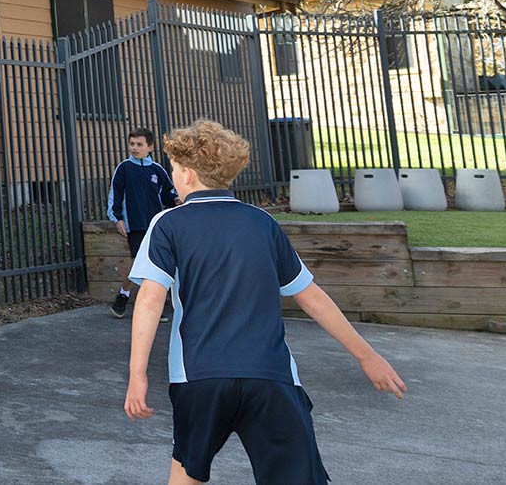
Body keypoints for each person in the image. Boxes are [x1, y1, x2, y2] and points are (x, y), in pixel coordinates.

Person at [123, 120, 407, 485]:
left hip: (200, 377)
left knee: (186, 474)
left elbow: (150, 300)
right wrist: (367, 356)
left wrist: (138, 375)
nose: (174, 177)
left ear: (188, 175)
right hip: (271, 376)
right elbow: (311, 297)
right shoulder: (262, 222)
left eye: (175, 170)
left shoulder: (167, 223)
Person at [109, 128, 179, 318]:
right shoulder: (124, 168)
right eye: (132, 144)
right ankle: (123, 295)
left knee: (155, 264)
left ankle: (152, 305)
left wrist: (176, 200)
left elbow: (168, 194)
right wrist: (117, 218)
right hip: (135, 224)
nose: (134, 148)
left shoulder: (157, 170)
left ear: (150, 147)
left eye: (139, 144)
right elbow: (115, 195)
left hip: (155, 225)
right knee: (139, 262)